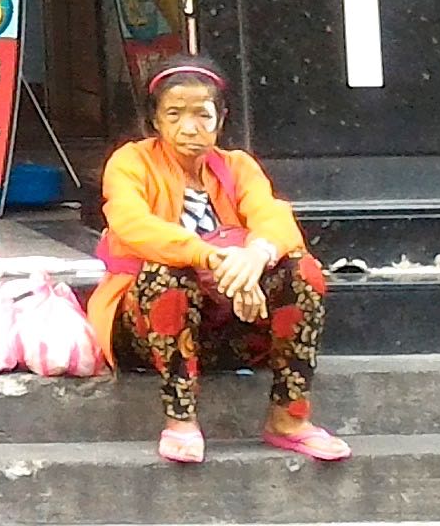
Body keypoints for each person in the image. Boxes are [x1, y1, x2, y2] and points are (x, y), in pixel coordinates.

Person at [88, 59, 350, 466]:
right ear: (154, 120)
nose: (189, 128)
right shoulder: (131, 162)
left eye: (202, 115)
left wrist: (254, 258)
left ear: (220, 119)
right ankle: (180, 419)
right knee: (166, 274)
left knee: (302, 270)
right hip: (148, 332)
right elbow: (133, 224)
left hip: (229, 322)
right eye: (174, 115)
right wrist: (212, 257)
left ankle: (289, 418)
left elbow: (274, 217)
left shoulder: (238, 166)